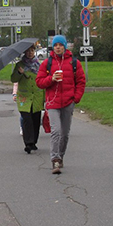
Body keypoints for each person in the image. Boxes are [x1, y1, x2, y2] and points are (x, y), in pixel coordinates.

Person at [36, 35, 86, 174]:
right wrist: (51, 79)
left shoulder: (74, 63)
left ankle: (61, 156)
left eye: (60, 45)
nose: (58, 47)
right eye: (56, 45)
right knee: (56, 131)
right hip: (52, 102)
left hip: (68, 102)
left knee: (64, 134)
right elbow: (39, 82)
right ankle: (55, 160)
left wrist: (76, 98)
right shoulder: (47, 63)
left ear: (64, 46)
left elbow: (81, 81)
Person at [11, 45, 45, 153]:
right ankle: (28, 143)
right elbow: (13, 79)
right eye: (28, 51)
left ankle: (34, 141)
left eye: (32, 50)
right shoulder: (20, 65)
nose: (30, 53)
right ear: (24, 52)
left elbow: (43, 80)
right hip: (24, 98)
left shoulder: (39, 65)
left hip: (37, 97)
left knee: (36, 119)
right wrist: (19, 73)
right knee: (27, 120)